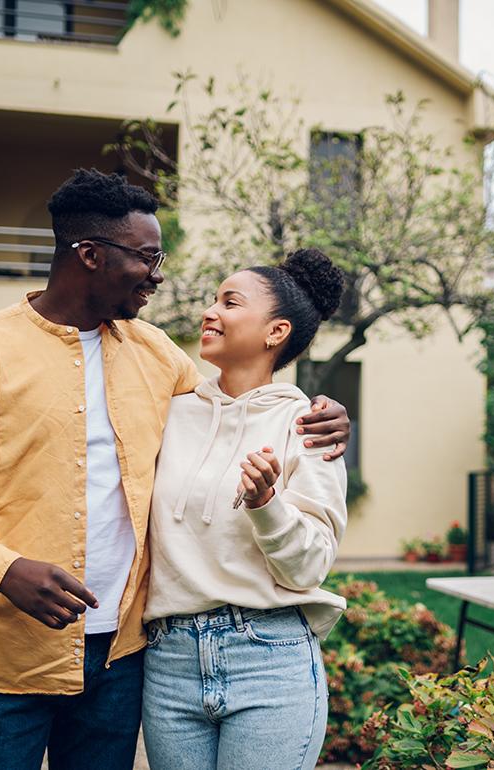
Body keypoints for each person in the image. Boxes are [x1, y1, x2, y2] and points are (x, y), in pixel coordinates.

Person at [0, 169, 349, 770]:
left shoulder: (158, 357)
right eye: (147, 256)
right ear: (90, 254)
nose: (158, 273)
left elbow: (237, 405)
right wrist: (4, 569)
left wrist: (324, 415)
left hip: (124, 661)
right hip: (9, 654)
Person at [142, 248, 348, 770]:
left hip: (268, 658)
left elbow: (311, 566)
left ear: (275, 332)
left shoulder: (309, 426)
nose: (211, 312)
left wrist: (266, 505)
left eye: (230, 302)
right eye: (214, 300)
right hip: (169, 661)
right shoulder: (169, 411)